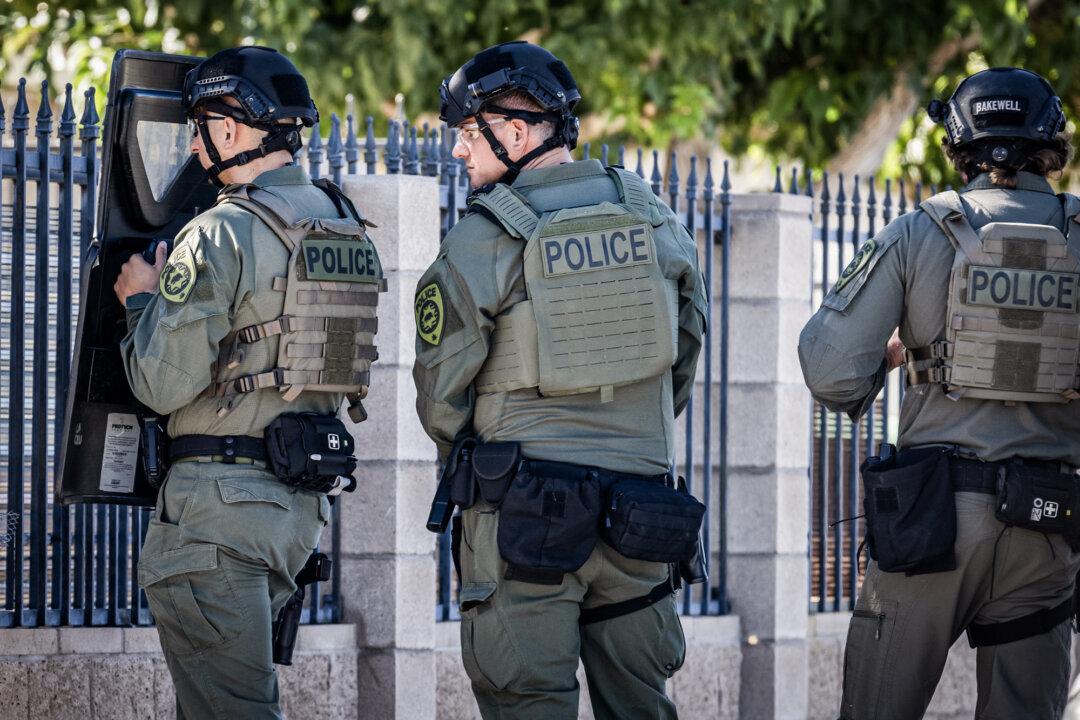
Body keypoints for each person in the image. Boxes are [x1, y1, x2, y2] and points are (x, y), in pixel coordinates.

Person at [413, 41, 708, 719]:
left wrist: (477, 458)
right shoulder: (655, 217)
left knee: (528, 704)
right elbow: (685, 352)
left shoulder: (483, 238)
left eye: (467, 133)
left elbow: (441, 393)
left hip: (525, 518)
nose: (461, 152)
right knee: (641, 706)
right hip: (642, 514)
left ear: (515, 131)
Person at [798, 66, 1080, 719]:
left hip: (932, 522)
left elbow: (829, 370)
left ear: (958, 143)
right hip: (1048, 521)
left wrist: (897, 360)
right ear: (1051, 141)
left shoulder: (919, 232)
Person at [114, 46, 382, 719]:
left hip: (217, 518)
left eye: (198, 127)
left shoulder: (220, 234)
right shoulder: (345, 229)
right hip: (294, 511)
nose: (195, 147)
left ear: (230, 129)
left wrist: (140, 301)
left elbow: (159, 383)